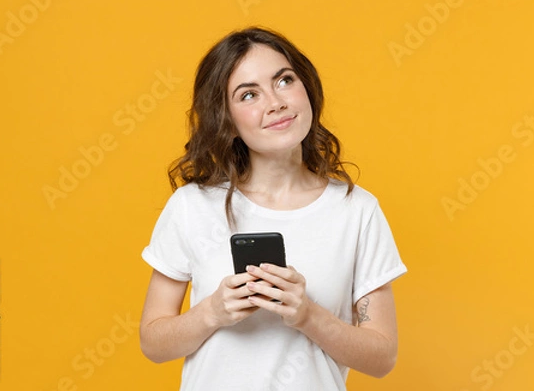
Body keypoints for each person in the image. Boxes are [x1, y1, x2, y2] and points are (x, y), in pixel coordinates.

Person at [139, 26, 407, 390]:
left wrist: (307, 314)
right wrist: (212, 312)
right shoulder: (192, 206)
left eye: (284, 81)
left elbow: (381, 358)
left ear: (306, 89)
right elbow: (153, 343)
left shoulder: (356, 210)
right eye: (249, 94)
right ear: (227, 121)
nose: (275, 102)